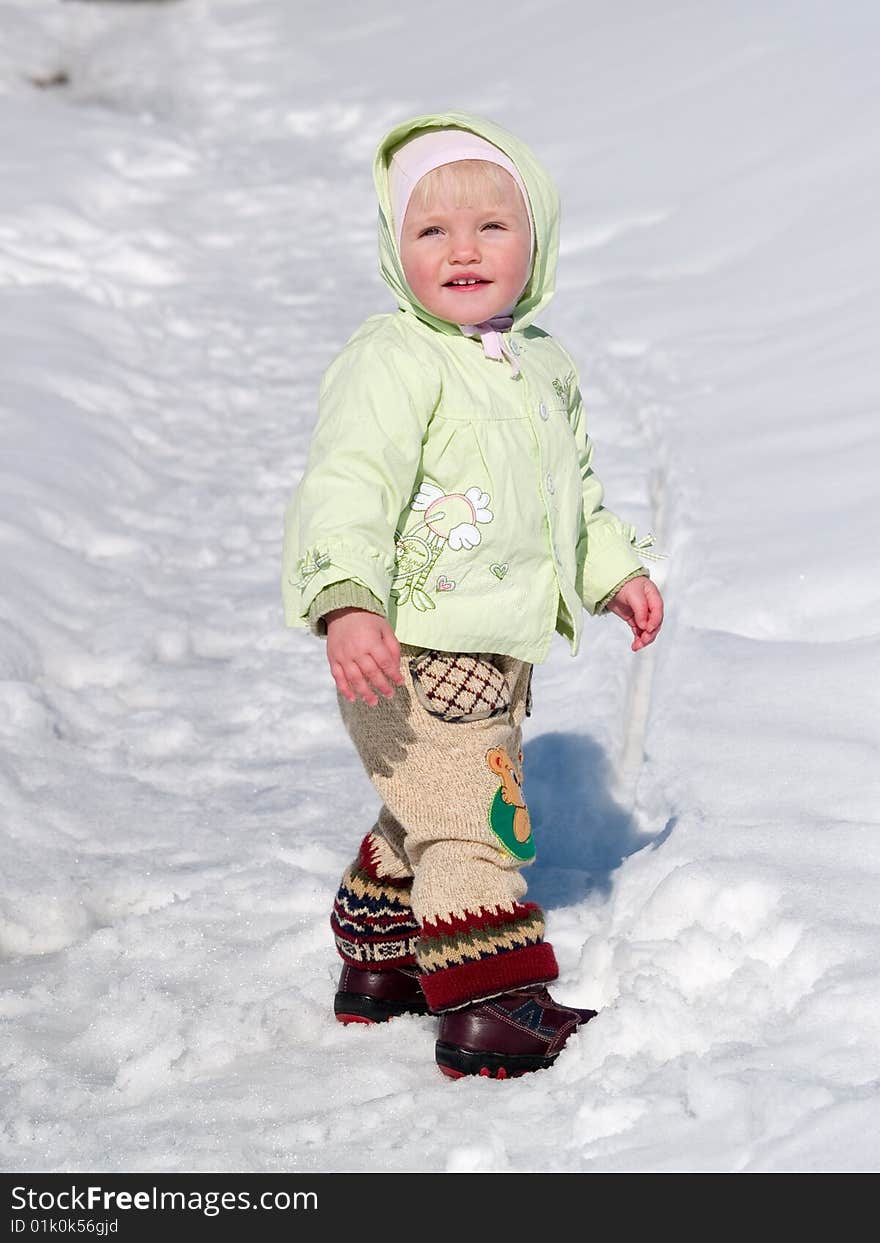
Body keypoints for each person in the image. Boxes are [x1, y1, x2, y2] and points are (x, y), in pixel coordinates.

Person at [282, 112, 664, 1079]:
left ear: (536, 240)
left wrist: (611, 568)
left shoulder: (543, 365)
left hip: (493, 647)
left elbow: (573, 492)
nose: (462, 250)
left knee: (435, 800)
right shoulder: (394, 358)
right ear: (393, 248)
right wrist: (345, 595)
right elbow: (347, 484)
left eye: (491, 226)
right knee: (476, 821)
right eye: (430, 231)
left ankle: (381, 956)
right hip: (404, 642)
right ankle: (491, 1006)